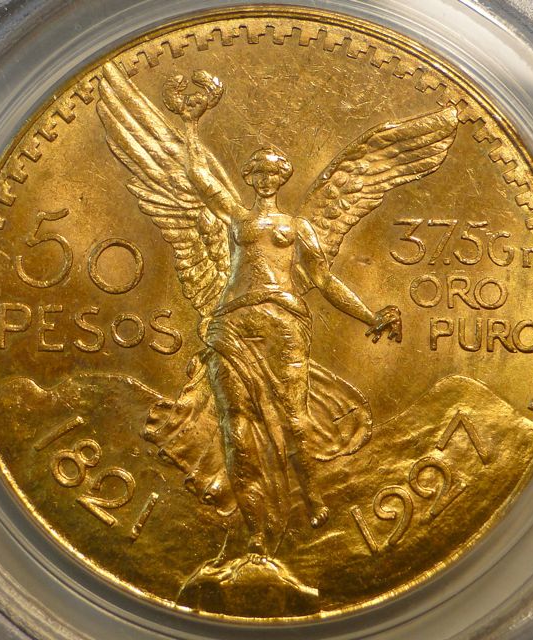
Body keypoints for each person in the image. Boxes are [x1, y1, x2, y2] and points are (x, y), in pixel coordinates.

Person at [167, 97, 391, 559]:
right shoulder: (237, 218)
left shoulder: (298, 227)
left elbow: (324, 281)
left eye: (274, 172)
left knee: (294, 420)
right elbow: (200, 179)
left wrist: (370, 316)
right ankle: (254, 535)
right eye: (260, 172)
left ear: (283, 177)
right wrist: (189, 124)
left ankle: (310, 496)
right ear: (251, 177)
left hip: (284, 321)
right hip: (232, 323)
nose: (267, 178)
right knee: (236, 427)